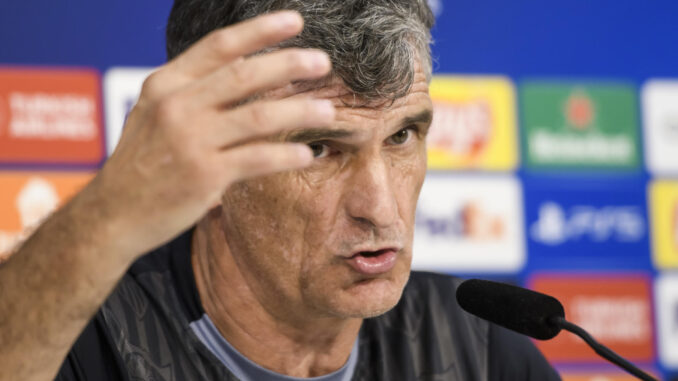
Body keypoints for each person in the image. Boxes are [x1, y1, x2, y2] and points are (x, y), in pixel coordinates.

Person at [0, 1, 561, 380]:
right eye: (319, 148)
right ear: (209, 159)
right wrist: (107, 215)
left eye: (401, 136)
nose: (381, 209)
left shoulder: (481, 353)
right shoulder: (80, 341)